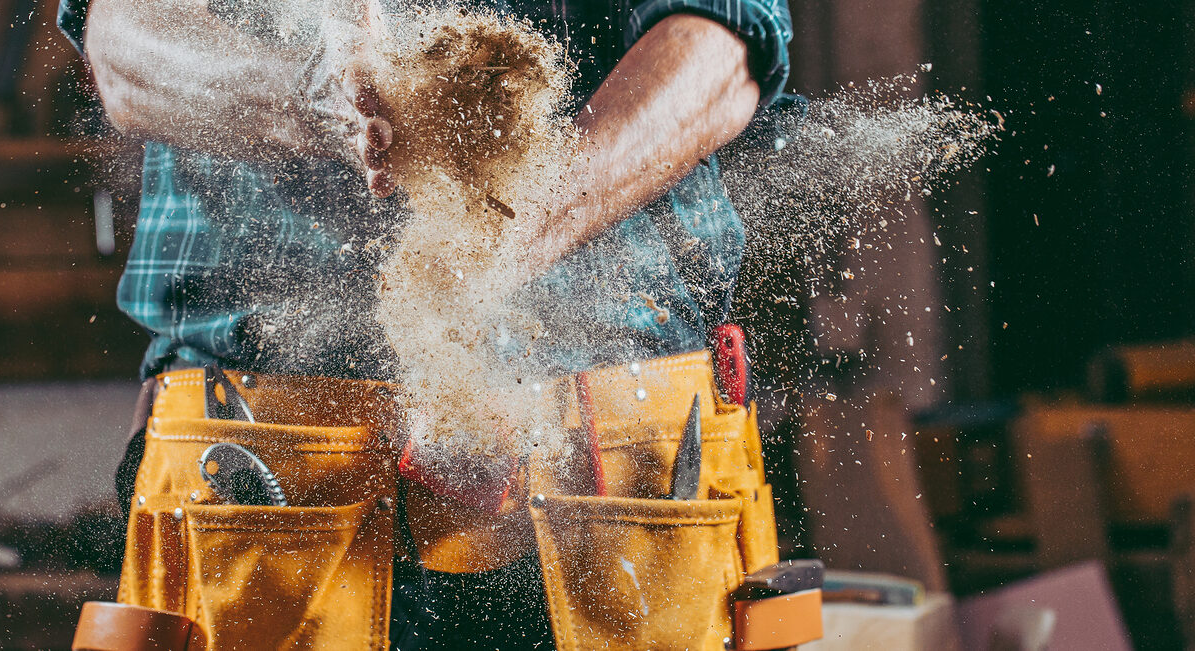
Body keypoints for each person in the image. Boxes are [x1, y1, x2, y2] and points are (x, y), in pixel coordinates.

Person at [59, 0, 793, 648]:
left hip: (631, 465)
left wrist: (520, 217)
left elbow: (722, 46)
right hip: (259, 462)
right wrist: (309, 94)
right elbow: (126, 43)